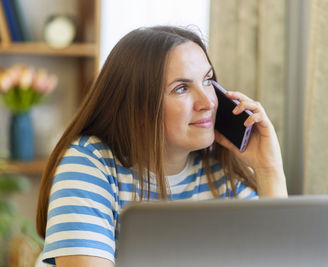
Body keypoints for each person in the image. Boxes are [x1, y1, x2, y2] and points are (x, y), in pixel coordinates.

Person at [36, 25, 288, 266]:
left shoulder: (220, 172)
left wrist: (268, 169)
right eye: (181, 88)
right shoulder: (89, 164)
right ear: (139, 108)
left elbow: (283, 259)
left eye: (208, 80)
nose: (208, 102)